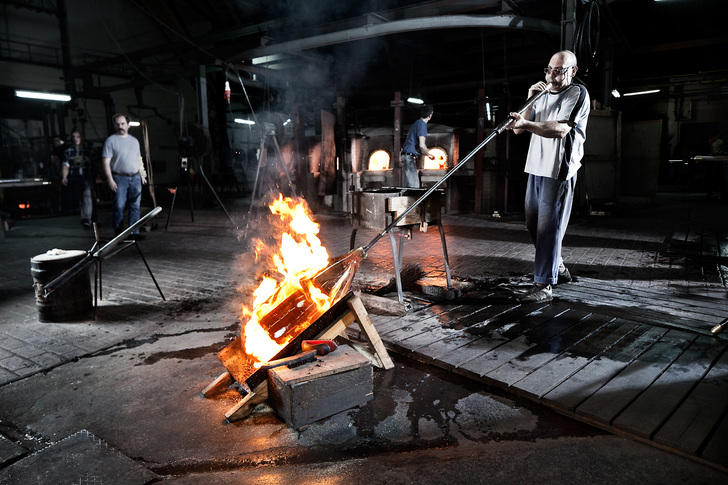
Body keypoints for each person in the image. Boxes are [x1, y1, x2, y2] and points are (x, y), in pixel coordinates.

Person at [507, 50, 590, 303]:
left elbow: (560, 129)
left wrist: (525, 124)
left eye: (559, 70)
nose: (552, 75)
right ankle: (559, 267)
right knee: (533, 223)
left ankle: (544, 284)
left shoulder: (576, 93)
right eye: (549, 69)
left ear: (572, 72)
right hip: (535, 166)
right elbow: (519, 131)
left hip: (558, 170)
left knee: (548, 229)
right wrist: (531, 98)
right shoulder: (542, 91)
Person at [102, 114, 147, 238]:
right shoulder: (111, 141)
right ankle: (119, 234)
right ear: (114, 125)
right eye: (117, 124)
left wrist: (143, 174)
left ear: (128, 125)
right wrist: (110, 179)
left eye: (122, 124)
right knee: (119, 206)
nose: (120, 126)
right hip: (119, 178)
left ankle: (134, 233)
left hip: (136, 177)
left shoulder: (134, 141)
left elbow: (139, 159)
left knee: (135, 206)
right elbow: (105, 162)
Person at [61, 131, 96, 228]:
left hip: (88, 177)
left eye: (78, 136)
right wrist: (64, 177)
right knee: (83, 198)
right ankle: (88, 218)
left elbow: (96, 164)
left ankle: (87, 219)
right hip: (76, 178)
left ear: (82, 137)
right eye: (74, 137)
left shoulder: (90, 151)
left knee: (87, 195)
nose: (76, 139)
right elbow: (65, 165)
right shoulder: (68, 152)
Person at [400, 104, 436, 188]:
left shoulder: (417, 123)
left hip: (405, 156)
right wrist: (430, 155)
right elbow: (422, 146)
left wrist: (425, 152)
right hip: (408, 158)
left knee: (407, 187)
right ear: (430, 115)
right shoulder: (422, 125)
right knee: (414, 186)